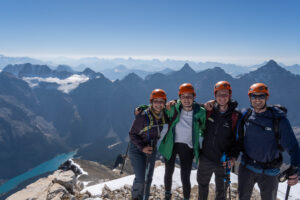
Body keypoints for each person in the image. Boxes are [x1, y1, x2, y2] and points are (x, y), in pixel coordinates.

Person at [237, 83, 300, 200]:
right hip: (247, 167)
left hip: (270, 171)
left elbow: (293, 146)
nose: (257, 100)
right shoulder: (245, 115)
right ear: (249, 98)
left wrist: (295, 169)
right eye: (254, 96)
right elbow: (226, 111)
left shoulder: (278, 120)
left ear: (267, 97)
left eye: (261, 96)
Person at [159, 83, 206, 200]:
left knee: (185, 176)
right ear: (179, 97)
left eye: (189, 96)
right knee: (169, 170)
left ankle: (186, 197)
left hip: (188, 146)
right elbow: (157, 107)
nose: (186, 99)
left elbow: (204, 128)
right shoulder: (173, 108)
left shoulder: (201, 112)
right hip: (172, 143)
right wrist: (139, 109)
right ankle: (167, 195)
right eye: (183, 96)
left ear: (194, 98)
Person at [197, 81, 241, 200]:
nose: (222, 97)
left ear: (229, 95)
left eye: (225, 94)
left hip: (223, 160)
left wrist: (233, 157)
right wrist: (174, 101)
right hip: (206, 157)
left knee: (221, 191)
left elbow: (238, 140)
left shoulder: (235, 116)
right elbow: (189, 104)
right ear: (215, 96)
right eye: (219, 94)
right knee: (202, 186)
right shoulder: (208, 110)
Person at [129, 89, 168, 200]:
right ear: (151, 102)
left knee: (148, 178)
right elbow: (132, 133)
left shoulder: (164, 114)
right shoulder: (143, 116)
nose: (159, 104)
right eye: (156, 101)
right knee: (141, 178)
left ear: (164, 103)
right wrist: (142, 147)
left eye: (161, 101)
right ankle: (136, 198)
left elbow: (180, 104)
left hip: (152, 148)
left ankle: (145, 197)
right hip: (137, 149)